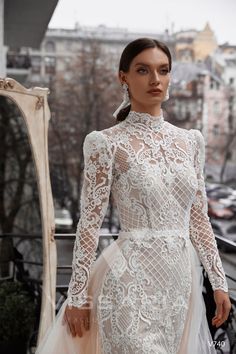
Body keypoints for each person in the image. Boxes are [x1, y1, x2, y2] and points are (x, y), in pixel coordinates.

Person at [36, 37, 231, 354]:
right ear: (123, 76)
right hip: (128, 282)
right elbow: (89, 224)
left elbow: (199, 220)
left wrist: (220, 282)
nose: (155, 80)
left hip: (180, 285)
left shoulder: (191, 142)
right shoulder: (106, 143)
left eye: (163, 70)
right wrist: (78, 295)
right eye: (143, 70)